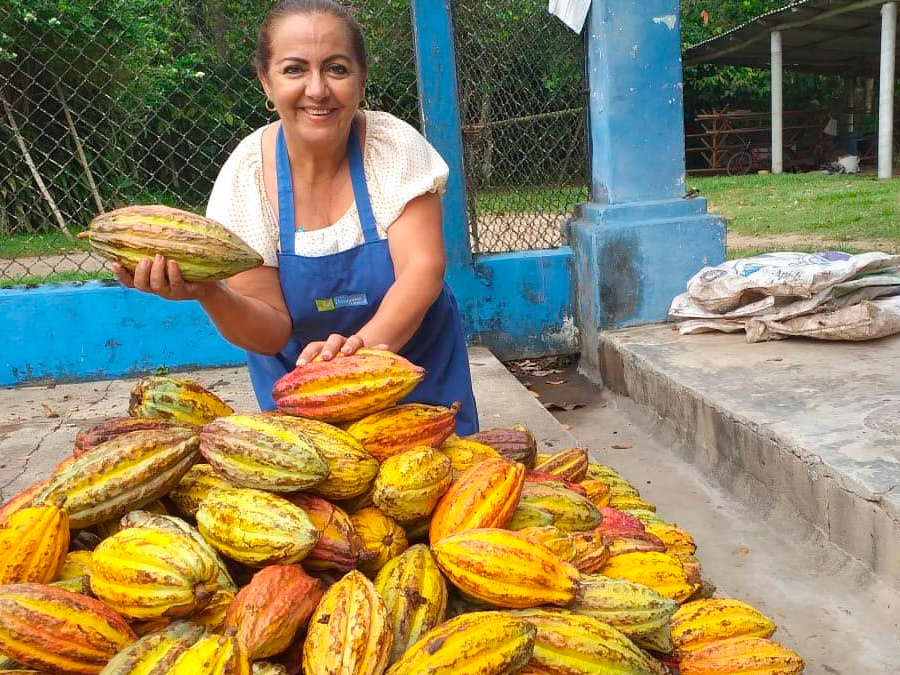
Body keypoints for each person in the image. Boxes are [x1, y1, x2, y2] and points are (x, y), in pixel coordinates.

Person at [112, 0, 478, 434]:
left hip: (416, 377)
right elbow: (270, 332)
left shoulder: (393, 147)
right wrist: (209, 292)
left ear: (361, 79)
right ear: (265, 82)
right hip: (305, 404)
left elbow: (423, 268)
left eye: (337, 69)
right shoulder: (246, 175)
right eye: (294, 70)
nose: (318, 89)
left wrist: (363, 349)